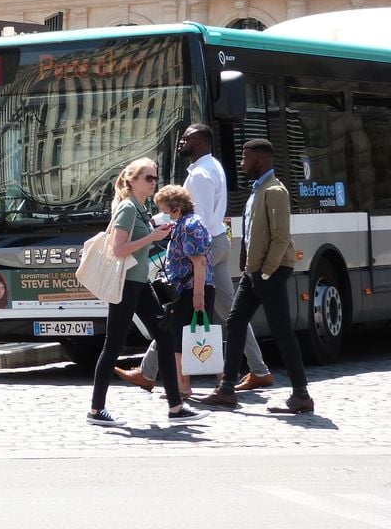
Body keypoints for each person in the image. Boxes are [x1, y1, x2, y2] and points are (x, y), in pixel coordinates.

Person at [115, 124, 273, 392]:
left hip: (201, 248)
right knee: (230, 313)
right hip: (217, 241)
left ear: (199, 142)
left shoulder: (199, 175)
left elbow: (189, 215)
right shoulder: (214, 166)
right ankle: (258, 369)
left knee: (179, 311)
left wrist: (157, 224)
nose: (180, 143)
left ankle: (155, 374)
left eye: (186, 138)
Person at [87, 158, 207, 426]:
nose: (154, 183)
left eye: (155, 177)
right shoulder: (128, 208)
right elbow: (118, 249)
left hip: (140, 283)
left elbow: (138, 242)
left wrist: (158, 233)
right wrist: (152, 237)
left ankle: (175, 407)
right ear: (132, 181)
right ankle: (96, 410)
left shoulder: (140, 208)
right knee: (113, 345)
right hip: (126, 284)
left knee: (164, 336)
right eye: (148, 178)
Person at [199, 139, 315, 414]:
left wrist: (265, 271)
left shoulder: (275, 191)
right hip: (256, 271)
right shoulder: (257, 190)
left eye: (245, 158)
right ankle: (227, 388)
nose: (241, 163)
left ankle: (301, 395)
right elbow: (252, 233)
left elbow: (280, 236)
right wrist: (249, 266)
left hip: (270, 271)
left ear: (259, 161)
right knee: (236, 321)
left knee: (282, 331)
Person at [152, 185, 215, 398]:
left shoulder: (189, 225)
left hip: (190, 289)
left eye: (166, 209)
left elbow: (199, 262)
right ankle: (188, 384)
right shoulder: (185, 223)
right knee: (187, 337)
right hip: (188, 288)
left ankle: (184, 386)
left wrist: (199, 295)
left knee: (182, 338)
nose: (164, 214)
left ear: (176, 208)